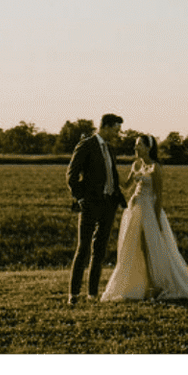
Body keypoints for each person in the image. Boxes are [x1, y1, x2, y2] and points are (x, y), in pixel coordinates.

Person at [99, 133, 188, 303]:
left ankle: (156, 285)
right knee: (136, 248)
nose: (135, 148)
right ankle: (144, 285)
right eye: (135, 145)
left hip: (149, 211)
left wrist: (157, 219)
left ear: (148, 147)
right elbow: (126, 185)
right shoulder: (136, 164)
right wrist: (110, 168)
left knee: (152, 248)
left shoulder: (155, 167)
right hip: (135, 210)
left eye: (138, 145)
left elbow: (158, 195)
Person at [66, 113, 127, 305]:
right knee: (83, 249)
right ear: (106, 127)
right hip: (90, 204)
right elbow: (71, 175)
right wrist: (81, 198)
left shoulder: (110, 148)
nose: (118, 134)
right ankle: (73, 295)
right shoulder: (87, 145)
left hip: (109, 205)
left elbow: (112, 176)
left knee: (99, 251)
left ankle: (92, 294)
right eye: (116, 130)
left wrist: (118, 198)